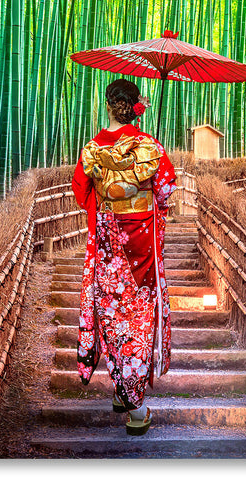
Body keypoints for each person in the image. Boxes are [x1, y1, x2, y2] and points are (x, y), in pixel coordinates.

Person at [71, 78, 176, 436]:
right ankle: (137, 407)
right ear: (136, 107)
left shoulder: (92, 147)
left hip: (107, 243)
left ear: (107, 103)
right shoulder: (149, 146)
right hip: (141, 243)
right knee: (138, 314)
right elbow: (164, 190)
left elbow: (80, 192)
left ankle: (121, 388)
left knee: (112, 310)